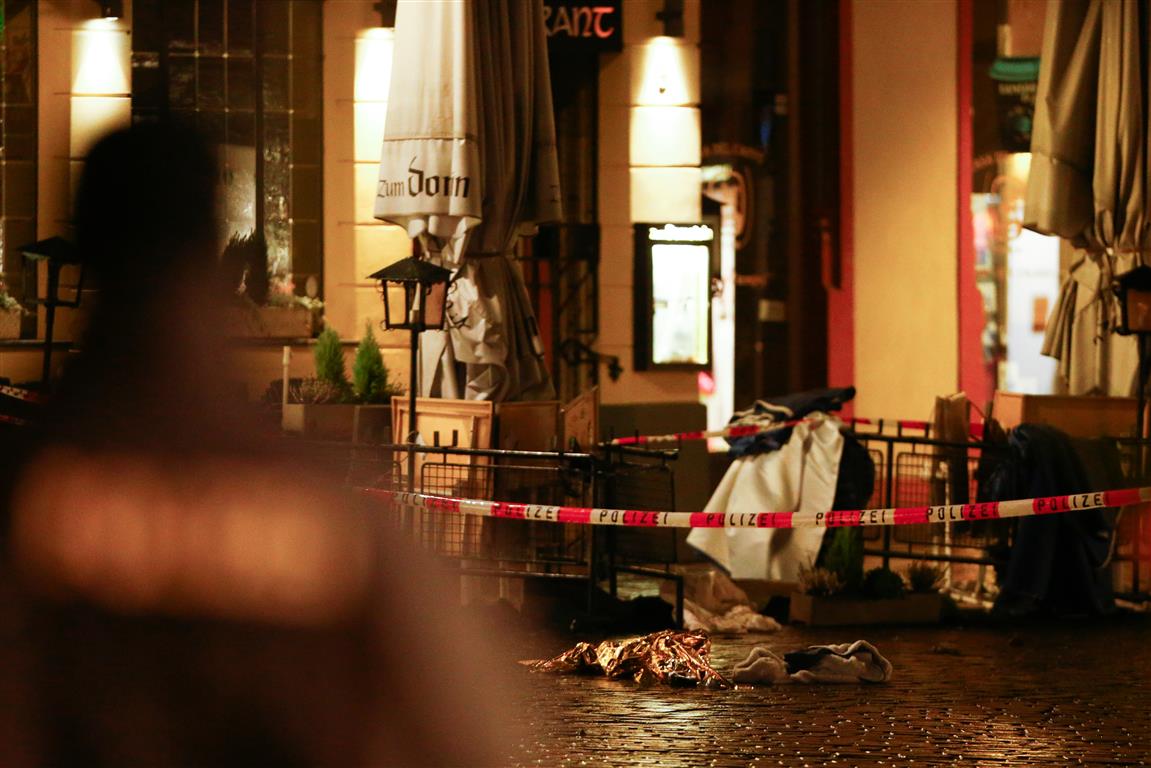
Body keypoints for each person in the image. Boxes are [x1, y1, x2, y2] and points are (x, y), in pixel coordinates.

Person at [1, 122, 517, 766]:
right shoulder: (325, 518)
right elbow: (454, 730)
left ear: (88, 255)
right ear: (210, 257)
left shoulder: (25, 506)